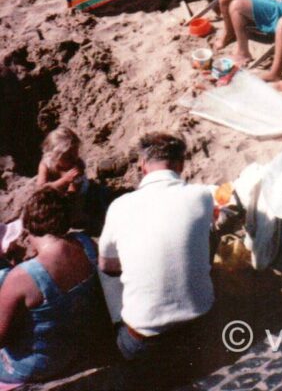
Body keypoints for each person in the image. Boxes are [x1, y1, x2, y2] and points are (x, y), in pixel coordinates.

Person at [98, 132, 215, 385]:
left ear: (142, 165)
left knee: (104, 267)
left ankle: (107, 343)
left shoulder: (120, 206)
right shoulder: (202, 195)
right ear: (180, 164)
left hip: (144, 341)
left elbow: (107, 265)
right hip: (199, 328)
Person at [0, 189, 102, 384]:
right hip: (73, 348)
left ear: (27, 228)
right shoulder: (85, 243)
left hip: (35, 364)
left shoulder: (23, 276)